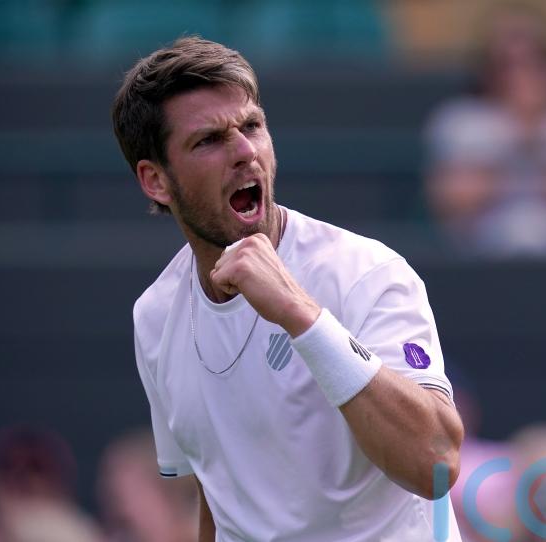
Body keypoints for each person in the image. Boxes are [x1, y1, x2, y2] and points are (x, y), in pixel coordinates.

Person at [111, 36, 464, 541]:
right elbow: (219, 496)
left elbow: (436, 464)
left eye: (252, 126)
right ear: (156, 180)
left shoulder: (367, 272)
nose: (244, 151)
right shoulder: (155, 315)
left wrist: (301, 315)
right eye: (208, 140)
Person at [423, 5, 546, 256]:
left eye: (534, 61)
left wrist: (534, 138)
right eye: (506, 64)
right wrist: (517, 142)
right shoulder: (460, 119)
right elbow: (458, 198)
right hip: (477, 260)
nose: (520, 76)